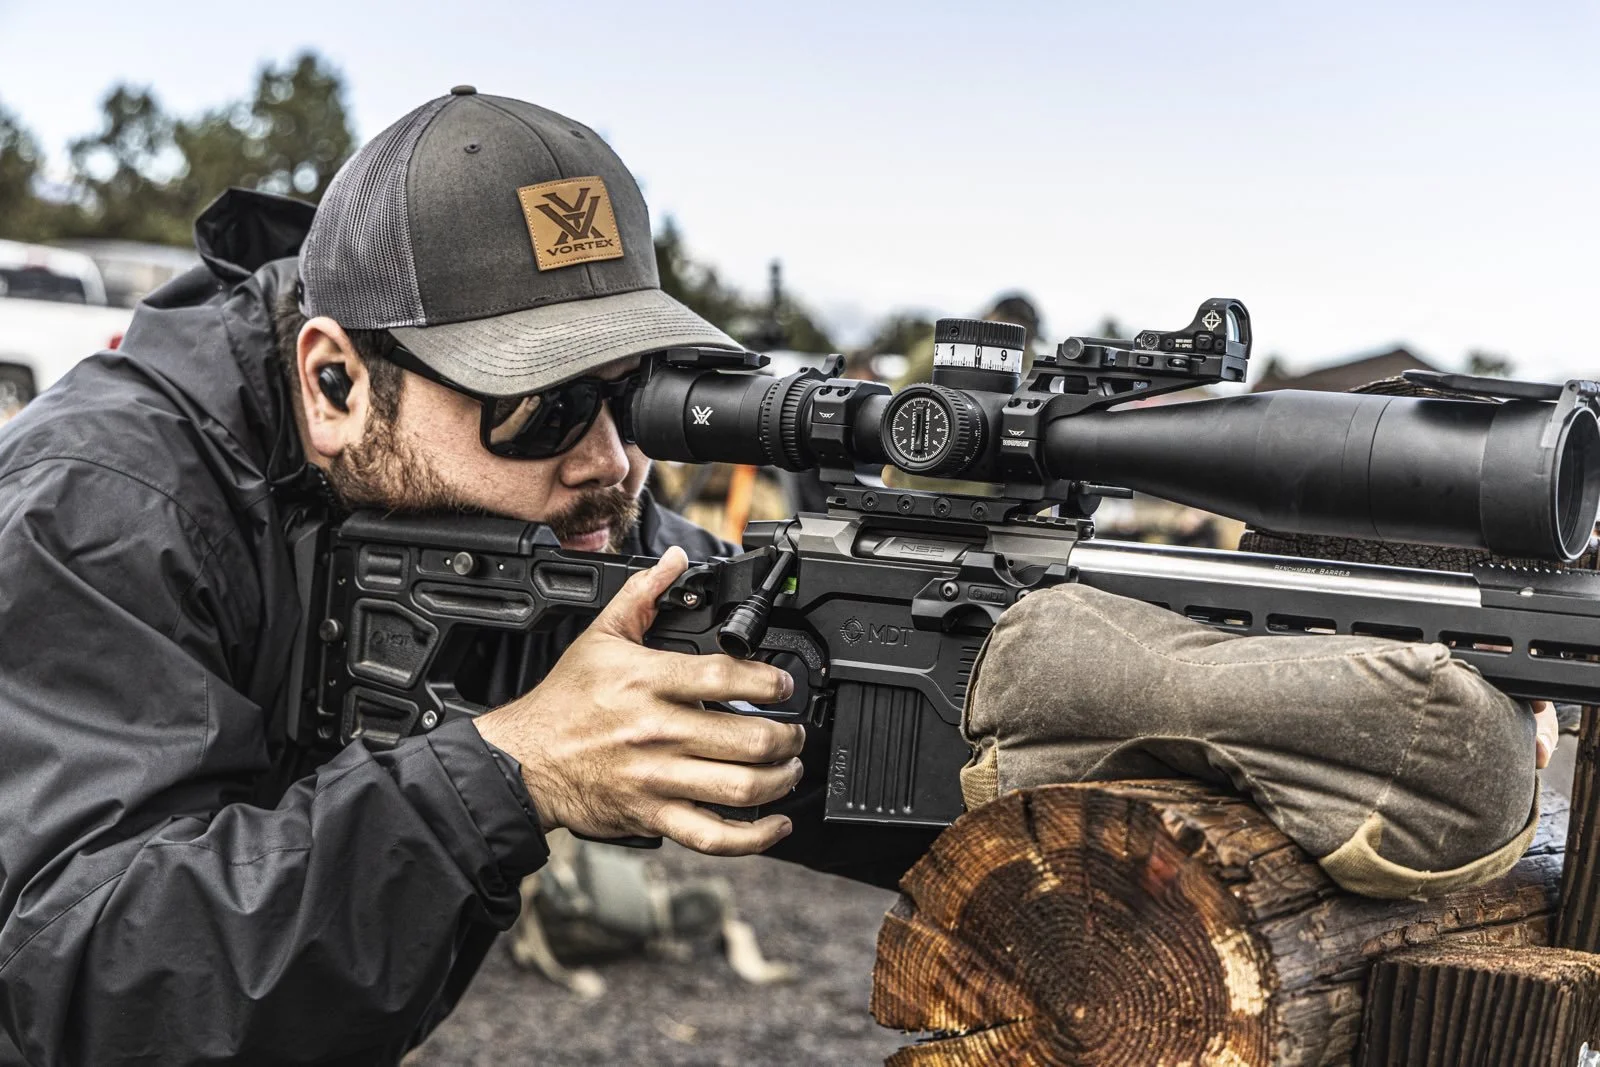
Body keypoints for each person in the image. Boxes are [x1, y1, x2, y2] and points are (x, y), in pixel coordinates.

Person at [0, 87, 932, 1066]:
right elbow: (80, 984)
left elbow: (759, 653)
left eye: (637, 398)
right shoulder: (100, 511)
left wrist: (986, 698)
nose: (610, 461)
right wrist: (505, 775)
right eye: (545, 404)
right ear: (335, 382)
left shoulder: (532, 500)